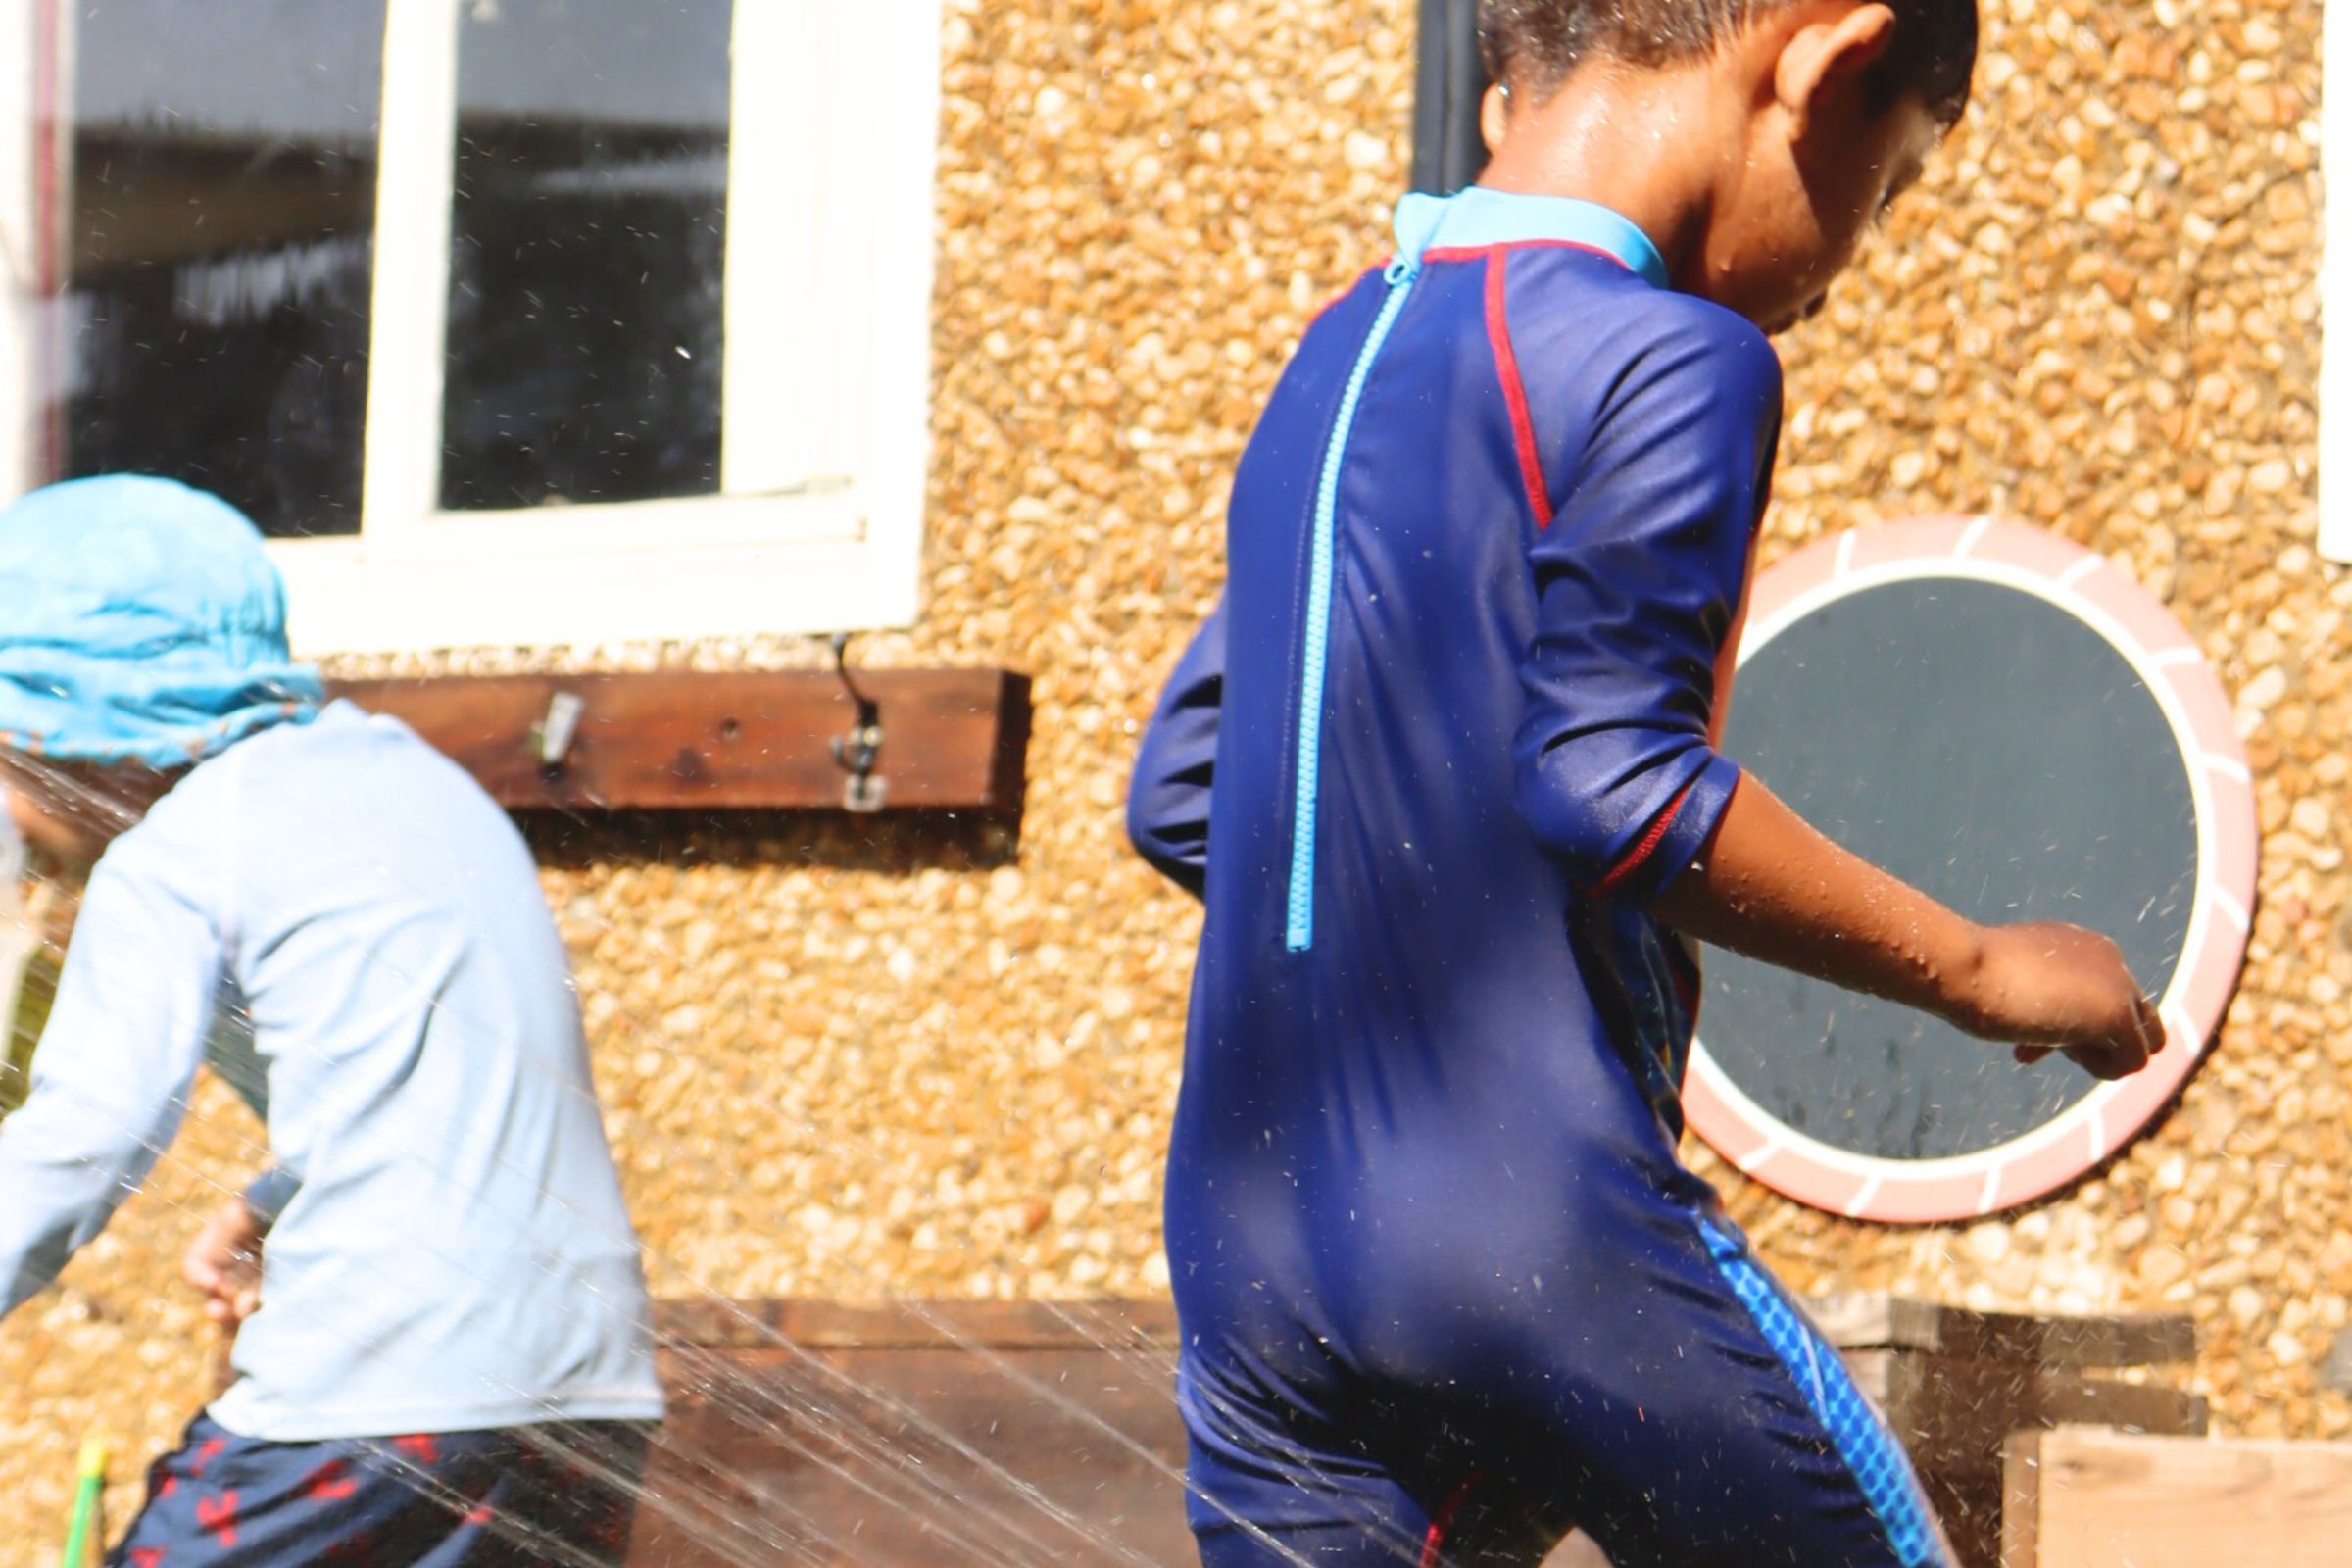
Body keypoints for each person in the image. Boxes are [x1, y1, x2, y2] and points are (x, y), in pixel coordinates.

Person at [1126, 3, 2164, 1565]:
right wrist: (1982, 968)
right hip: (1541, 1244)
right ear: (1817, 65)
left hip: (1254, 1259)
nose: (1844, 272)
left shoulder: (1342, 352)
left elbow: (1188, 787)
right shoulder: (1679, 359)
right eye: (1884, 192)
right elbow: (1611, 782)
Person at [0, 476, 663, 1564]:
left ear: (66, 729)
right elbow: (450, 1065)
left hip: (379, 1394)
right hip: (585, 1390)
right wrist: (278, 1193)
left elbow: (79, 1142)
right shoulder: (415, 782)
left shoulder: (173, 850)